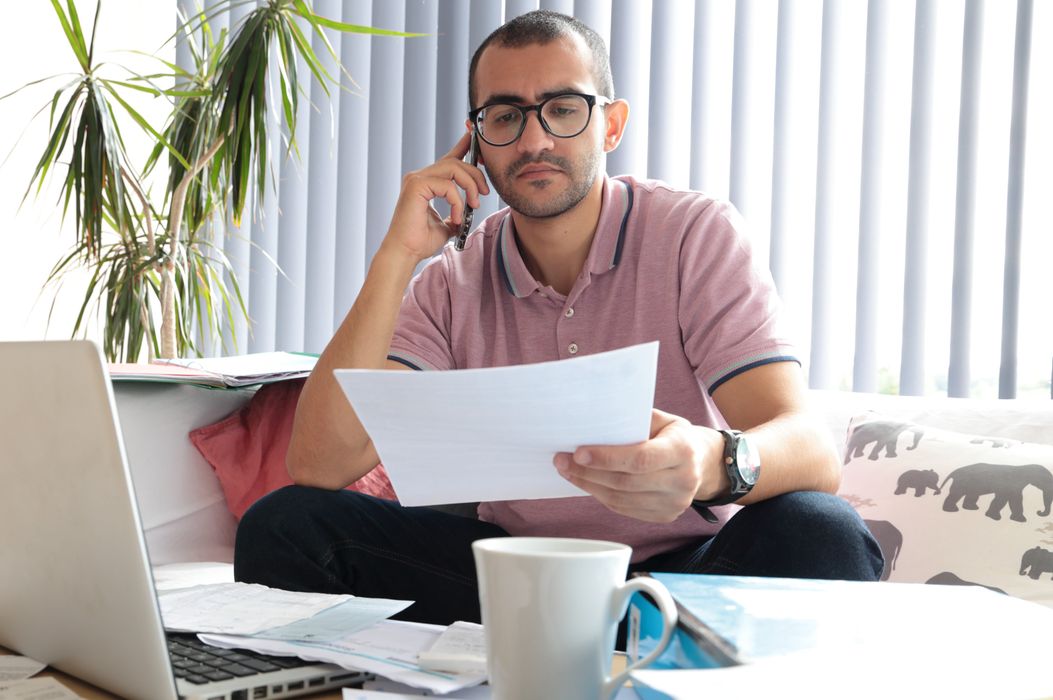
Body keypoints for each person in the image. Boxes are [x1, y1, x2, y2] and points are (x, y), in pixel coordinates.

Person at [235, 10, 882, 626]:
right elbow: (320, 466)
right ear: (475, 140)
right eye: (505, 115)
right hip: (510, 577)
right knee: (287, 524)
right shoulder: (452, 279)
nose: (535, 139)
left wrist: (709, 464)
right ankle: (611, 661)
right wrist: (396, 255)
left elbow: (808, 446)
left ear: (611, 124)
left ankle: (606, 657)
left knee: (819, 528)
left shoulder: (693, 234)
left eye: (563, 109)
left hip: (685, 576)